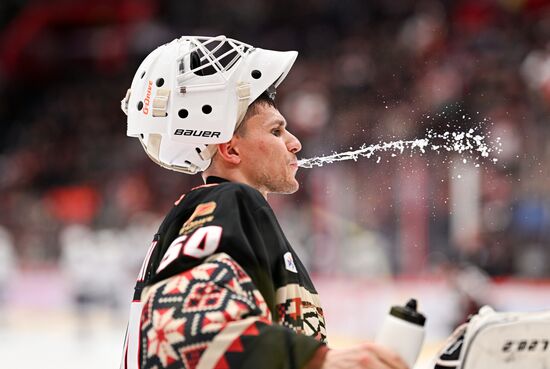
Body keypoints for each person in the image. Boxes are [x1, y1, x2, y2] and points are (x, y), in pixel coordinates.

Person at [120, 35, 408, 369]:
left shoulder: (200, 211)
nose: (295, 143)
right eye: (276, 132)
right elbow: (182, 327)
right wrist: (320, 362)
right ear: (230, 149)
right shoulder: (231, 201)